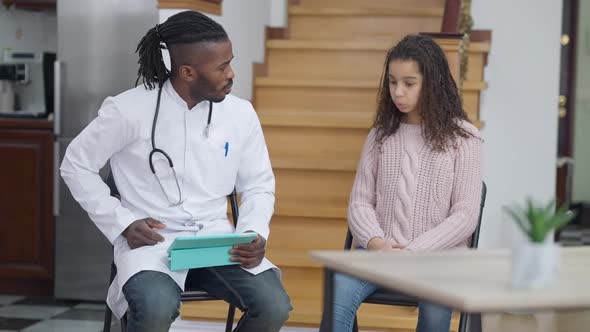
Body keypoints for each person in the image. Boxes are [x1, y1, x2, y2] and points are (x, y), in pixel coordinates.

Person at [60, 10, 291, 332]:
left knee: (274, 306)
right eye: (221, 67)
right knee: (155, 308)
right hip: (153, 243)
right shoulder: (128, 110)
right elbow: (76, 164)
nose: (231, 74)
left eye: (230, 62)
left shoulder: (241, 114)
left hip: (215, 240)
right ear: (187, 72)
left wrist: (254, 230)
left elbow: (259, 184)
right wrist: (122, 222)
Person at [319, 34, 483, 332]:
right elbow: (360, 202)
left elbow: (465, 216)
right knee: (337, 291)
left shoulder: (465, 138)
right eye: (393, 82)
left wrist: (413, 252)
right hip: (379, 255)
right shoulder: (381, 134)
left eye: (409, 83)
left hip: (439, 260)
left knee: (435, 312)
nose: (398, 91)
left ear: (432, 83)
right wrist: (377, 244)